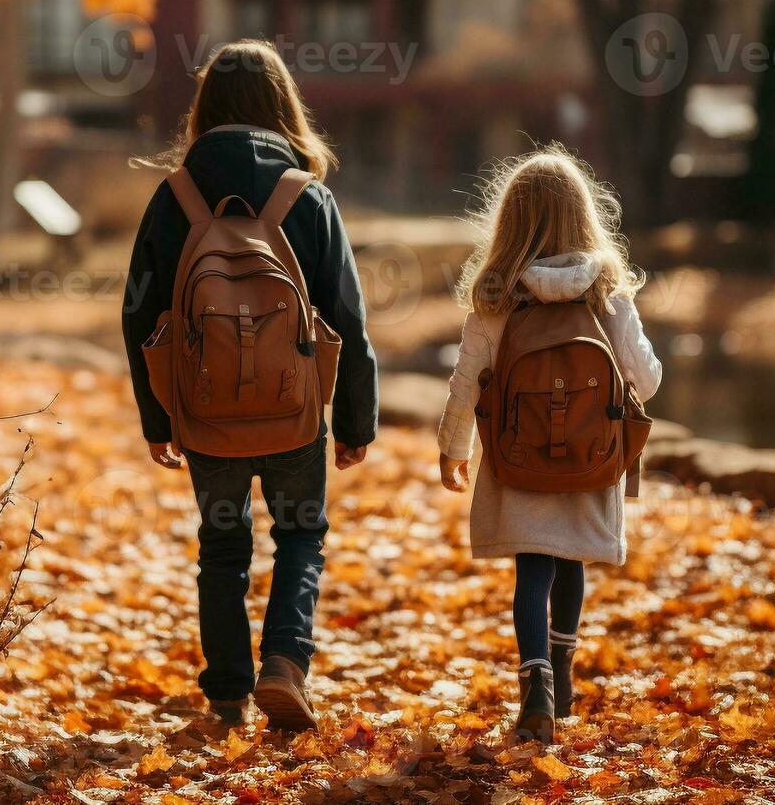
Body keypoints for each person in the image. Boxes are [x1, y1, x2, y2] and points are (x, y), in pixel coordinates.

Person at [121, 40, 378, 731]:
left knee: (223, 544)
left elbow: (138, 312)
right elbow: (346, 317)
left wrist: (158, 417)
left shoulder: (173, 196)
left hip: (205, 410)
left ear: (204, 107)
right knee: (299, 537)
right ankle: (285, 664)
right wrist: (356, 421)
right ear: (281, 104)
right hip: (293, 411)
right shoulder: (307, 195)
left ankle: (227, 695)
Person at [437, 146, 662, 743]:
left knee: (531, 568)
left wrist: (452, 447)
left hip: (520, 459)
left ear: (508, 223)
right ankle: (562, 677)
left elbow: (467, 381)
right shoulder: (607, 292)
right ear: (584, 217)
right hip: (589, 458)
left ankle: (533, 681)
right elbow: (647, 378)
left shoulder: (496, 296)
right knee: (570, 562)